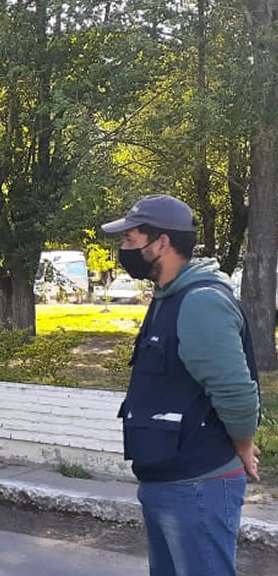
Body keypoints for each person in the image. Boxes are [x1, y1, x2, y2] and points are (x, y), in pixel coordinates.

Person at [101, 194, 261, 576]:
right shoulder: (167, 297)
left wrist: (242, 445)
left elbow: (235, 393)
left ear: (162, 243)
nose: (123, 251)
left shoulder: (200, 301)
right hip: (168, 480)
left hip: (198, 485)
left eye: (130, 240)